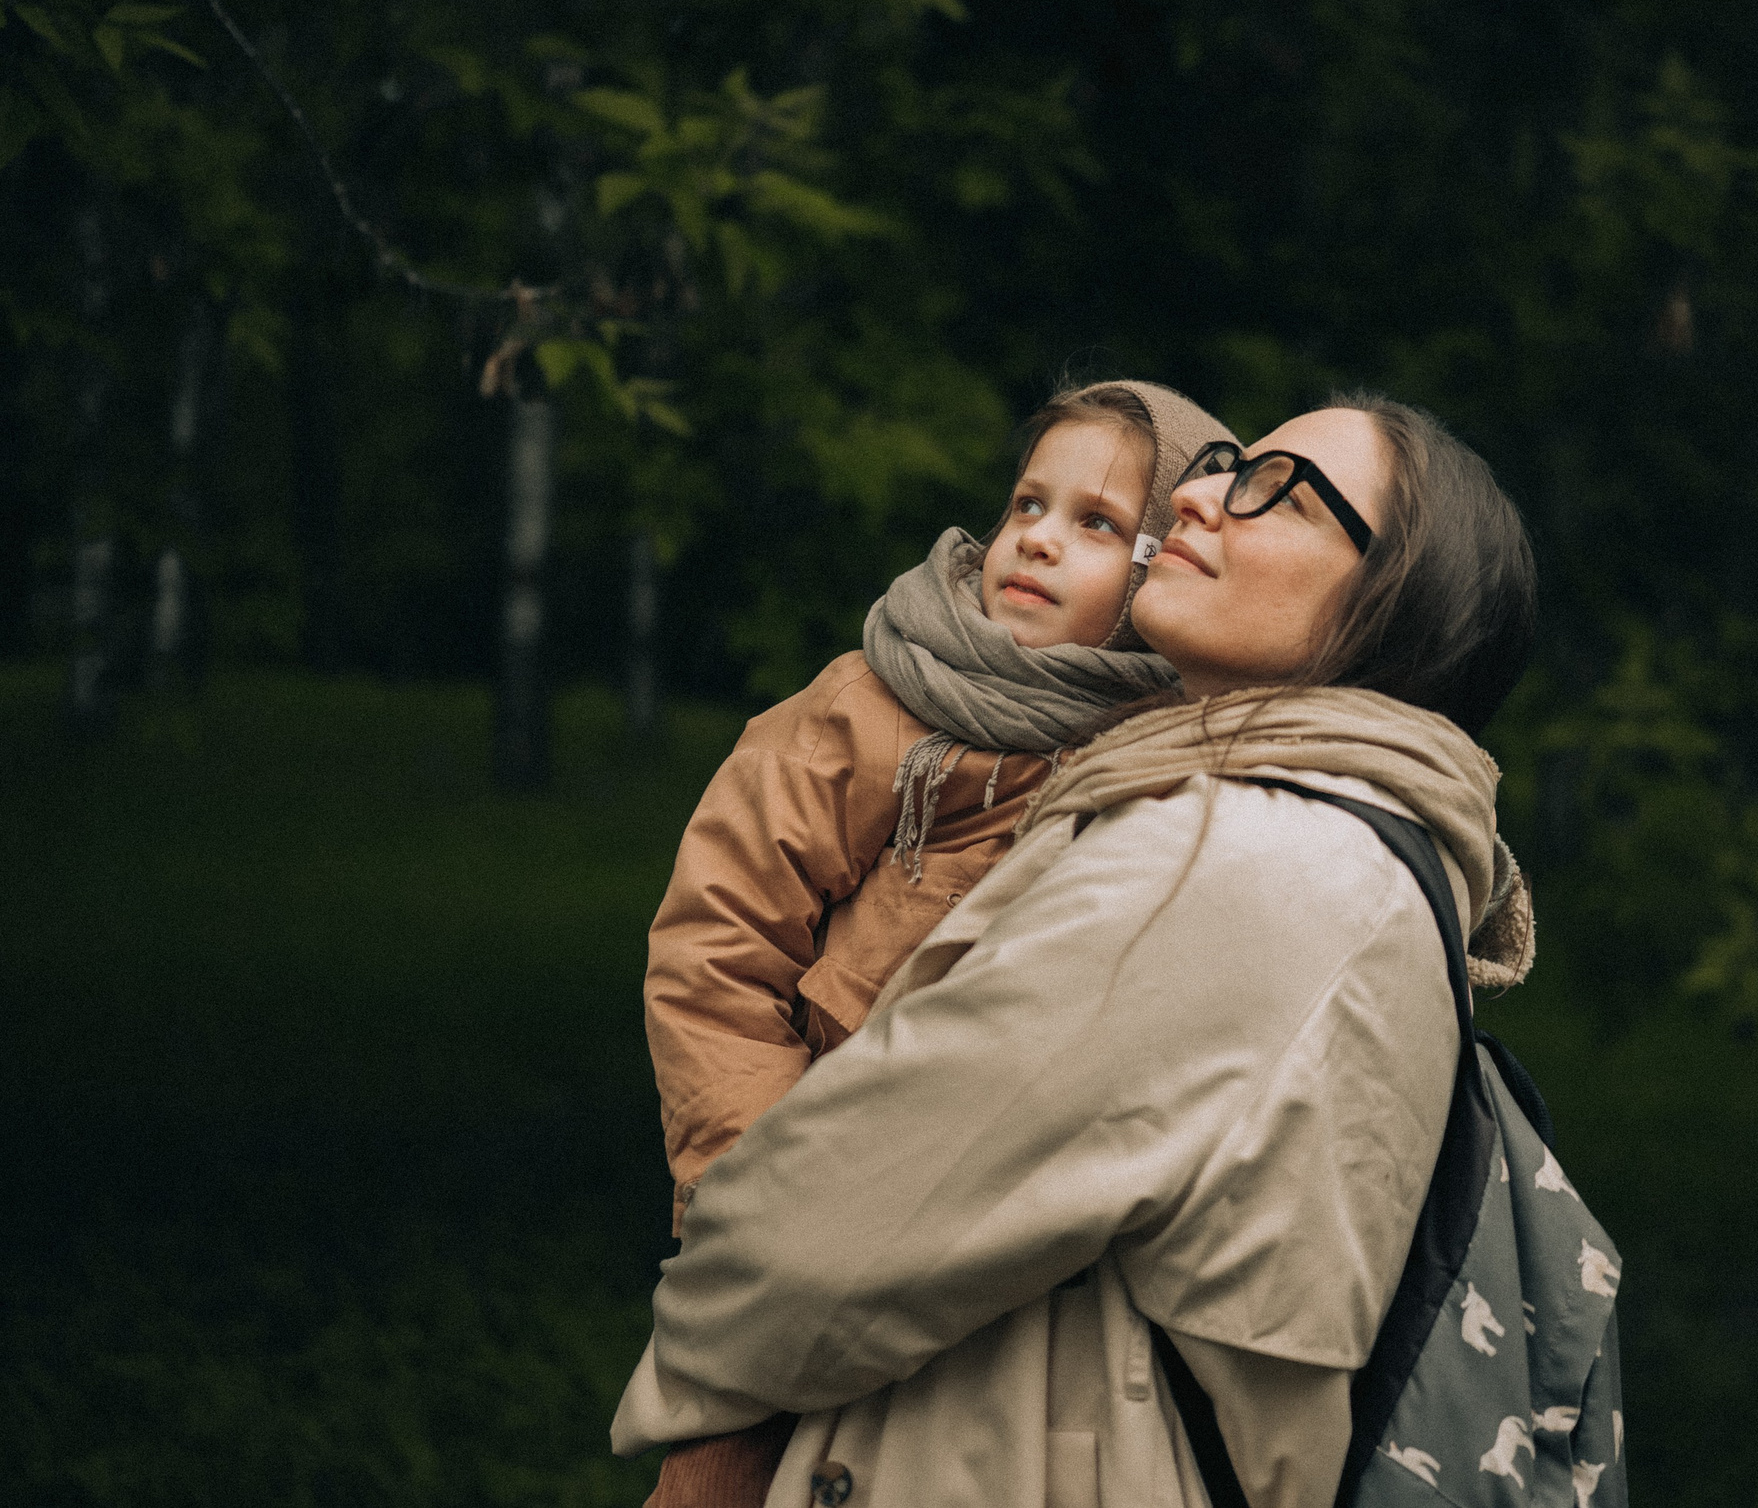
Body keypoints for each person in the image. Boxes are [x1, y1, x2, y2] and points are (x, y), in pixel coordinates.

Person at [611, 393, 1542, 1508]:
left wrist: (708, 1389)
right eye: (1225, 466)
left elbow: (843, 1221)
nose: (1198, 492)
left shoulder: (1233, 851)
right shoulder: (1345, 848)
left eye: (1275, 489)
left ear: (1394, 605)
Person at [639, 378, 1236, 1507]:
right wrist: (748, 1184)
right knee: (726, 1467)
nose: (1039, 539)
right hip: (804, 1186)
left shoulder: (1168, 747)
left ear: (1169, 570)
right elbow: (717, 941)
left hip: (1000, 1230)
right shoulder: (880, 699)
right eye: (1028, 504)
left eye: (1097, 523)